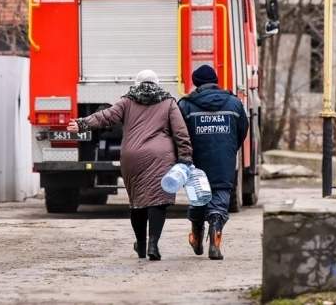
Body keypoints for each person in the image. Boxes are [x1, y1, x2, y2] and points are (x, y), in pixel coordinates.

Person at [67, 70, 192, 261]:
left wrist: (82, 123)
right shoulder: (169, 103)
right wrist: (185, 160)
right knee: (159, 200)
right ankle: (153, 244)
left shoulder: (127, 101)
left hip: (132, 157)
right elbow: (181, 134)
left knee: (138, 202)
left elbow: (105, 116)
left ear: (137, 83)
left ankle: (141, 245)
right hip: (161, 157)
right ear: (157, 83)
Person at [178, 65, 249, 260]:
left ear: (195, 83)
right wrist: (229, 148)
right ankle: (215, 240)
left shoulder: (186, 105)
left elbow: (179, 134)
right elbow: (242, 129)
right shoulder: (234, 104)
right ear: (215, 81)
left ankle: (196, 237)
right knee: (220, 199)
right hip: (223, 161)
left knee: (198, 198)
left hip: (196, 162)